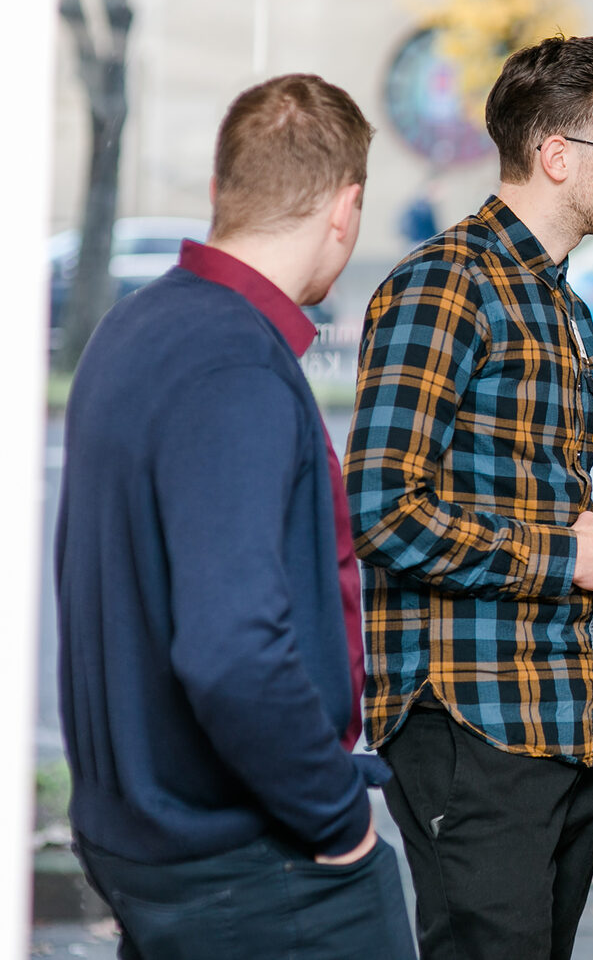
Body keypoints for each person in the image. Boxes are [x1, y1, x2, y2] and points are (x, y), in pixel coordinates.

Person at [54, 73, 414, 959]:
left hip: (148, 842)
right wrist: (339, 823)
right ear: (348, 208)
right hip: (252, 862)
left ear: (221, 191)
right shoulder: (236, 369)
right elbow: (231, 651)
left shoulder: (134, 327)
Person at [344, 34, 593, 960]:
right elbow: (381, 509)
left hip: (563, 714)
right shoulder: (445, 284)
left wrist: (586, 533)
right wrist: (566, 555)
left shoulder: (557, 299)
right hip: (473, 723)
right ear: (559, 156)